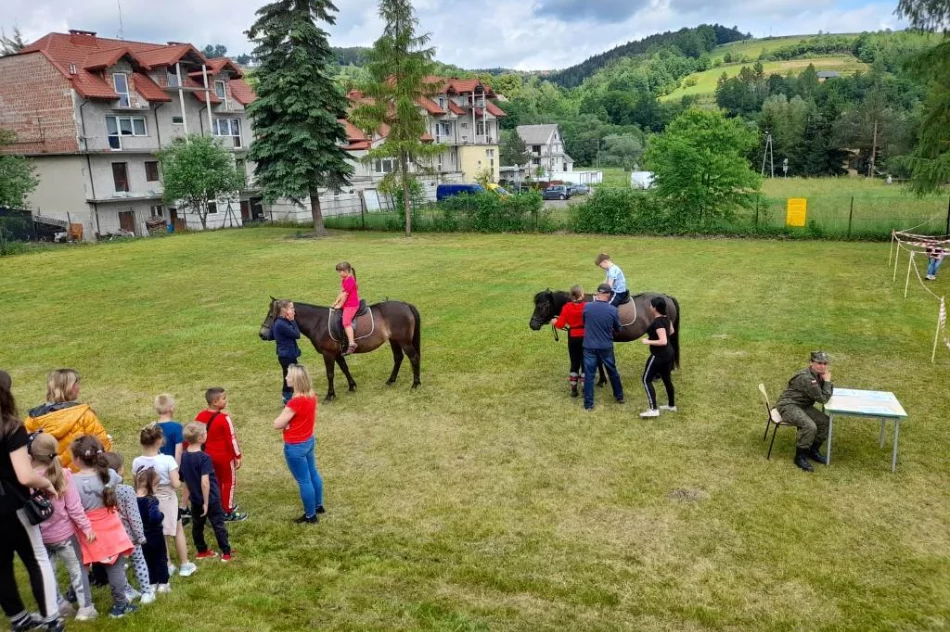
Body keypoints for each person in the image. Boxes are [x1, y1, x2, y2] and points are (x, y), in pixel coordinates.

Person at [0, 371, 65, 632]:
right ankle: (52, 618)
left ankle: (18, 617)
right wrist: (47, 483)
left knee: (1, 564)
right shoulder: (10, 428)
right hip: (13, 506)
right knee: (37, 559)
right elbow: (25, 475)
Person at [30, 432, 98, 620]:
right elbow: (75, 508)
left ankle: (59, 605)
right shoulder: (64, 474)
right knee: (77, 569)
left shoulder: (27, 479)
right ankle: (86, 608)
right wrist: (87, 528)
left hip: (40, 538)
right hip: (65, 536)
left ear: (32, 454)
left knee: (47, 573)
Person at [70, 435, 137, 619]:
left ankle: (86, 607)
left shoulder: (71, 481)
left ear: (76, 459)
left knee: (81, 567)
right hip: (110, 528)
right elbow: (115, 483)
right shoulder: (110, 475)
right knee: (115, 567)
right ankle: (120, 605)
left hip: (84, 530)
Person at [131, 425, 196, 577]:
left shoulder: (136, 462)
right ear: (160, 441)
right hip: (167, 500)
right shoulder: (167, 460)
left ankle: (167, 564)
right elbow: (176, 483)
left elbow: (137, 483)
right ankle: (185, 564)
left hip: (147, 502)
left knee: (160, 533)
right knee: (177, 530)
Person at [25, 369, 111, 471]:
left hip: (47, 478)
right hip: (81, 478)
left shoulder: (32, 420)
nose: (78, 388)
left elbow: (26, 451)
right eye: (76, 384)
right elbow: (101, 446)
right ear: (70, 387)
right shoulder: (84, 415)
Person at [272, 365, 324, 525]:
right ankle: (318, 505)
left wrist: (287, 423)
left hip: (295, 446)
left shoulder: (295, 402)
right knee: (313, 473)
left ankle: (310, 516)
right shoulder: (311, 395)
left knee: (304, 480)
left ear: (295, 380)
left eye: (288, 376)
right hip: (308, 440)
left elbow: (277, 424)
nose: (286, 378)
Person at [101, 452, 153, 605]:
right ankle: (146, 592)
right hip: (130, 536)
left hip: (112, 537)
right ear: (119, 470)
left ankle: (127, 590)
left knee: (118, 567)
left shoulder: (99, 492)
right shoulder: (126, 490)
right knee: (139, 561)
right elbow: (134, 517)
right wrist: (140, 536)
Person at [180, 423, 232, 562]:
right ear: (201, 438)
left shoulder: (183, 456)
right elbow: (205, 482)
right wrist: (207, 503)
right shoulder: (204, 458)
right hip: (210, 499)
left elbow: (184, 479)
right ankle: (226, 552)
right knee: (218, 524)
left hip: (195, 499)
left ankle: (201, 551)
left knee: (197, 526)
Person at [776, 351, 834, 472]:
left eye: (825, 363)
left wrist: (826, 382)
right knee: (810, 426)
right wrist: (827, 381)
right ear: (811, 363)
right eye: (819, 363)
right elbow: (823, 398)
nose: (822, 366)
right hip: (789, 405)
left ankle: (813, 450)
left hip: (803, 405)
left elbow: (826, 392)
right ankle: (800, 457)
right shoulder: (807, 378)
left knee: (825, 422)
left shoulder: (818, 375)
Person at [194, 388, 246, 522]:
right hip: (224, 457)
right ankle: (227, 510)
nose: (226, 400)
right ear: (215, 402)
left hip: (207, 456)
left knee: (214, 482)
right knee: (229, 482)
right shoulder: (224, 418)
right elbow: (231, 439)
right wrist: (238, 455)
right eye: (224, 398)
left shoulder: (200, 416)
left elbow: (194, 433)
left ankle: (216, 507)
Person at [582, 284, 624, 411]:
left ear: (597, 293)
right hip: (605, 346)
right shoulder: (612, 310)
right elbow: (618, 329)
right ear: (609, 295)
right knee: (612, 371)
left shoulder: (587, 307)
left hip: (589, 346)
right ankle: (619, 396)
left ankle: (588, 404)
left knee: (589, 375)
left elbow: (585, 322)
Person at [153, 394, 188, 526]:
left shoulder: (154, 427)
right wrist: (177, 468)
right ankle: (183, 507)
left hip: (158, 465)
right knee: (186, 483)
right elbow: (179, 450)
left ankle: (161, 509)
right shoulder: (177, 427)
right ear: (171, 408)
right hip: (174, 463)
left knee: (162, 489)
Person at [133, 468, 169, 596]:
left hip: (141, 535)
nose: (157, 488)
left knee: (147, 559)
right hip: (155, 534)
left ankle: (152, 582)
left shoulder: (132, 500)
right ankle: (163, 583)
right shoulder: (151, 500)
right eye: (156, 485)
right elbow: (154, 517)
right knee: (160, 558)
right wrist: (162, 515)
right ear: (149, 485)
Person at [639, 297, 677, 418]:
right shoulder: (666, 318)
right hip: (669, 353)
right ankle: (671, 406)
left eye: (650, 306)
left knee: (646, 379)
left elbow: (663, 341)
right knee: (666, 379)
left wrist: (648, 341)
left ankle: (653, 409)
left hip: (660, 355)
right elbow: (671, 331)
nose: (649, 307)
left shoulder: (658, 322)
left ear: (655, 308)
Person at [550, 284, 587, 398]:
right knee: (585, 362)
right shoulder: (587, 306)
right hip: (586, 335)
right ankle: (585, 386)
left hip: (573, 336)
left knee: (574, 362)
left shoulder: (566, 307)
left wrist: (554, 321)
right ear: (582, 294)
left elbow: (560, 324)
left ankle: (574, 388)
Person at [266, 300, 302, 405]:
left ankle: (290, 397)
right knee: (290, 377)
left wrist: (279, 336)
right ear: (284, 310)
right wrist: (292, 320)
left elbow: (270, 336)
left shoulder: (278, 321)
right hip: (287, 355)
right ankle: (287, 399)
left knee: (290, 375)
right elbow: (297, 334)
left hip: (284, 354)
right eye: (291, 308)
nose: (293, 310)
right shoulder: (282, 323)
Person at [331, 262, 360, 355]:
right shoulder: (344, 279)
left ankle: (352, 343)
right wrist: (336, 302)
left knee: (346, 322)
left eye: (341, 271)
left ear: (347, 271)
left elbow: (345, 295)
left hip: (351, 305)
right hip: (346, 304)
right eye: (338, 272)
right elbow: (342, 293)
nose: (339, 274)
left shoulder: (350, 281)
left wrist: (340, 305)